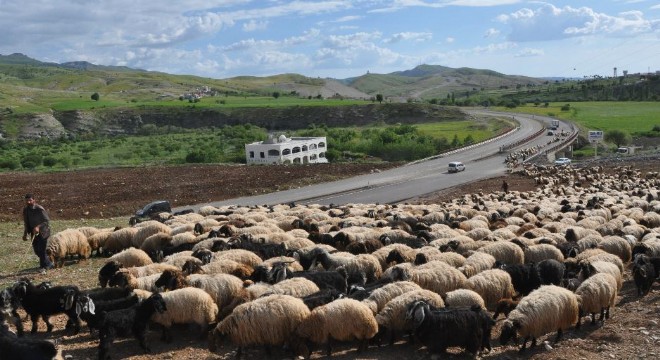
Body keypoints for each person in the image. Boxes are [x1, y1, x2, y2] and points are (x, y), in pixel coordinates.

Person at [22, 193, 54, 271]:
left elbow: (46, 221)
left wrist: (38, 227)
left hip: (43, 232)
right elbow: (26, 222)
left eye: (30, 200)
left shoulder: (39, 209)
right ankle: (49, 262)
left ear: (34, 200)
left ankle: (44, 266)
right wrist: (25, 234)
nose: (28, 202)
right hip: (33, 232)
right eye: (27, 200)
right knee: (37, 251)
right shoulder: (25, 210)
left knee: (41, 250)